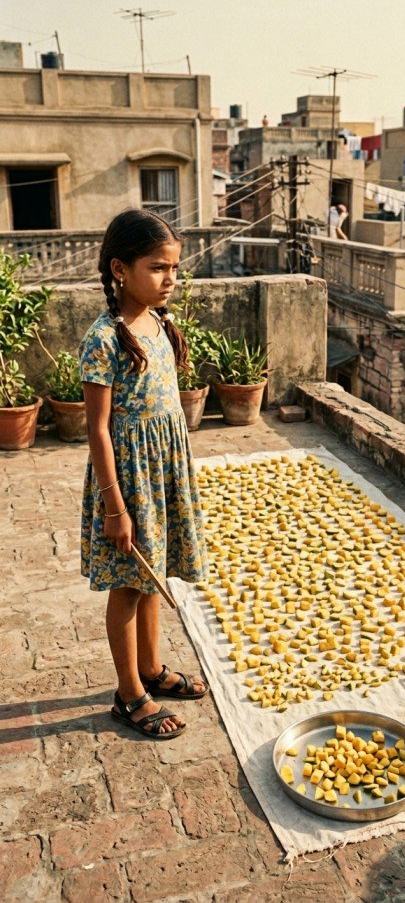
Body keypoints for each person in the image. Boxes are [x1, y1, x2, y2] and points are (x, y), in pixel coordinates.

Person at [80, 209, 209, 740]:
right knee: (129, 587)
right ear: (119, 269)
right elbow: (98, 429)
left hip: (161, 475)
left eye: (174, 268)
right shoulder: (104, 338)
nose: (170, 279)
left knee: (153, 572)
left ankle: (153, 670)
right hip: (127, 482)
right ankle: (129, 692)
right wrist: (115, 507)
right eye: (158, 268)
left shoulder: (157, 323)